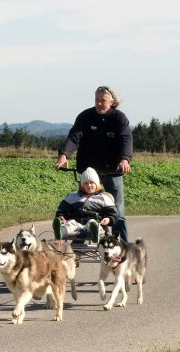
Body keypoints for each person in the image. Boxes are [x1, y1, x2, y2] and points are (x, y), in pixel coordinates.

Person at [55, 85, 133, 241]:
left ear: (111, 102)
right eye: (97, 100)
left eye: (103, 100)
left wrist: (125, 159)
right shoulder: (85, 116)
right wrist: (64, 155)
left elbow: (126, 139)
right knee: (82, 204)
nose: (99, 103)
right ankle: (81, 234)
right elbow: (74, 137)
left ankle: (124, 245)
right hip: (89, 171)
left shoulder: (119, 118)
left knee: (117, 210)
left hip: (112, 170)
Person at [53, 167, 119, 242]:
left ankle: (94, 233)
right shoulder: (73, 197)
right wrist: (61, 217)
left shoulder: (103, 198)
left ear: (97, 184)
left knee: (92, 223)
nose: (89, 185)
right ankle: (61, 232)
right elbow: (62, 210)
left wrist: (109, 219)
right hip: (76, 223)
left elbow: (114, 213)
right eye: (86, 183)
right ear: (82, 185)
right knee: (70, 223)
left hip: (95, 223)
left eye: (91, 183)